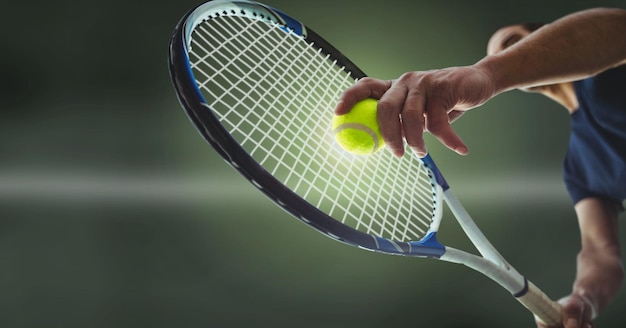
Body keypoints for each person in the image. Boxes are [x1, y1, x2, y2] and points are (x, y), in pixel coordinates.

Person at [334, 7, 626, 328]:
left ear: (546, 36)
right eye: (497, 52)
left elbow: (616, 30)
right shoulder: (580, 167)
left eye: (514, 42)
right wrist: (582, 299)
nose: (503, 51)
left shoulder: (610, 70)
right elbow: (601, 256)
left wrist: (490, 72)